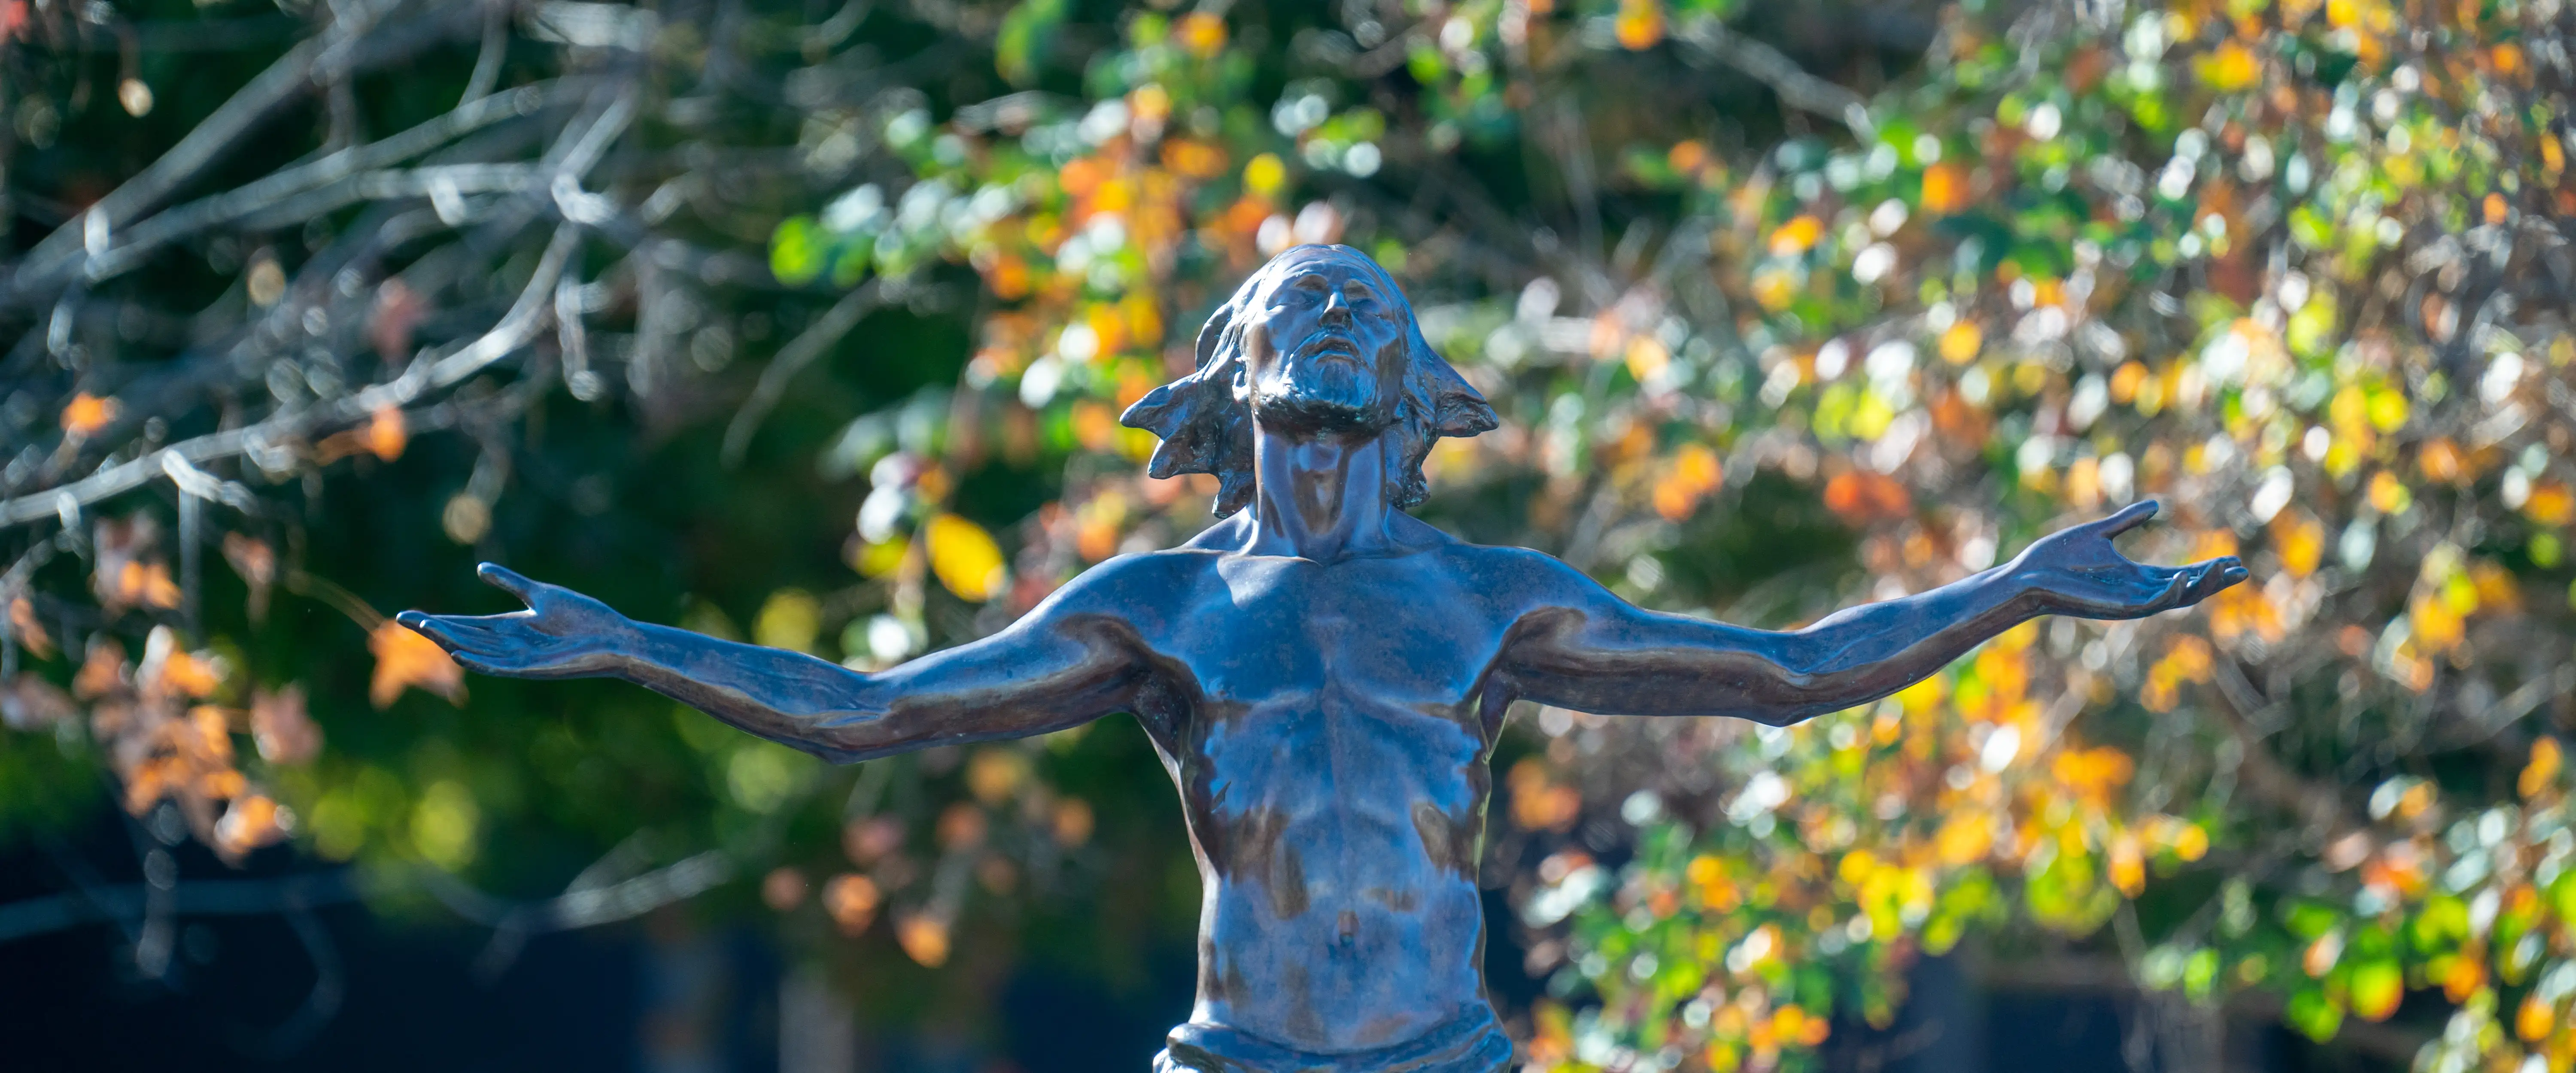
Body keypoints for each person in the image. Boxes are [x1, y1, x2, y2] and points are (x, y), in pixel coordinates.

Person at [401, 244, 2247, 1073]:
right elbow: (880, 711)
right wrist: (629, 642)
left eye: (1375, 304)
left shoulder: (1485, 599)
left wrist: (2019, 587)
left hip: (1443, 1056)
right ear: (1238, 374)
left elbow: (1789, 666)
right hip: (1241, 1060)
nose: (1346, 315)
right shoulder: (1169, 607)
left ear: (1415, 388)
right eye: (1309, 300)